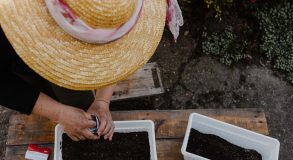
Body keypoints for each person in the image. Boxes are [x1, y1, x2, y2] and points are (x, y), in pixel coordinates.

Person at [0, 0, 183, 141]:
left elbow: (118, 51)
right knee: (30, 89)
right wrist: (58, 113)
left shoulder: (122, 7)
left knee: (77, 103)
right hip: (16, 64)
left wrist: (102, 101)